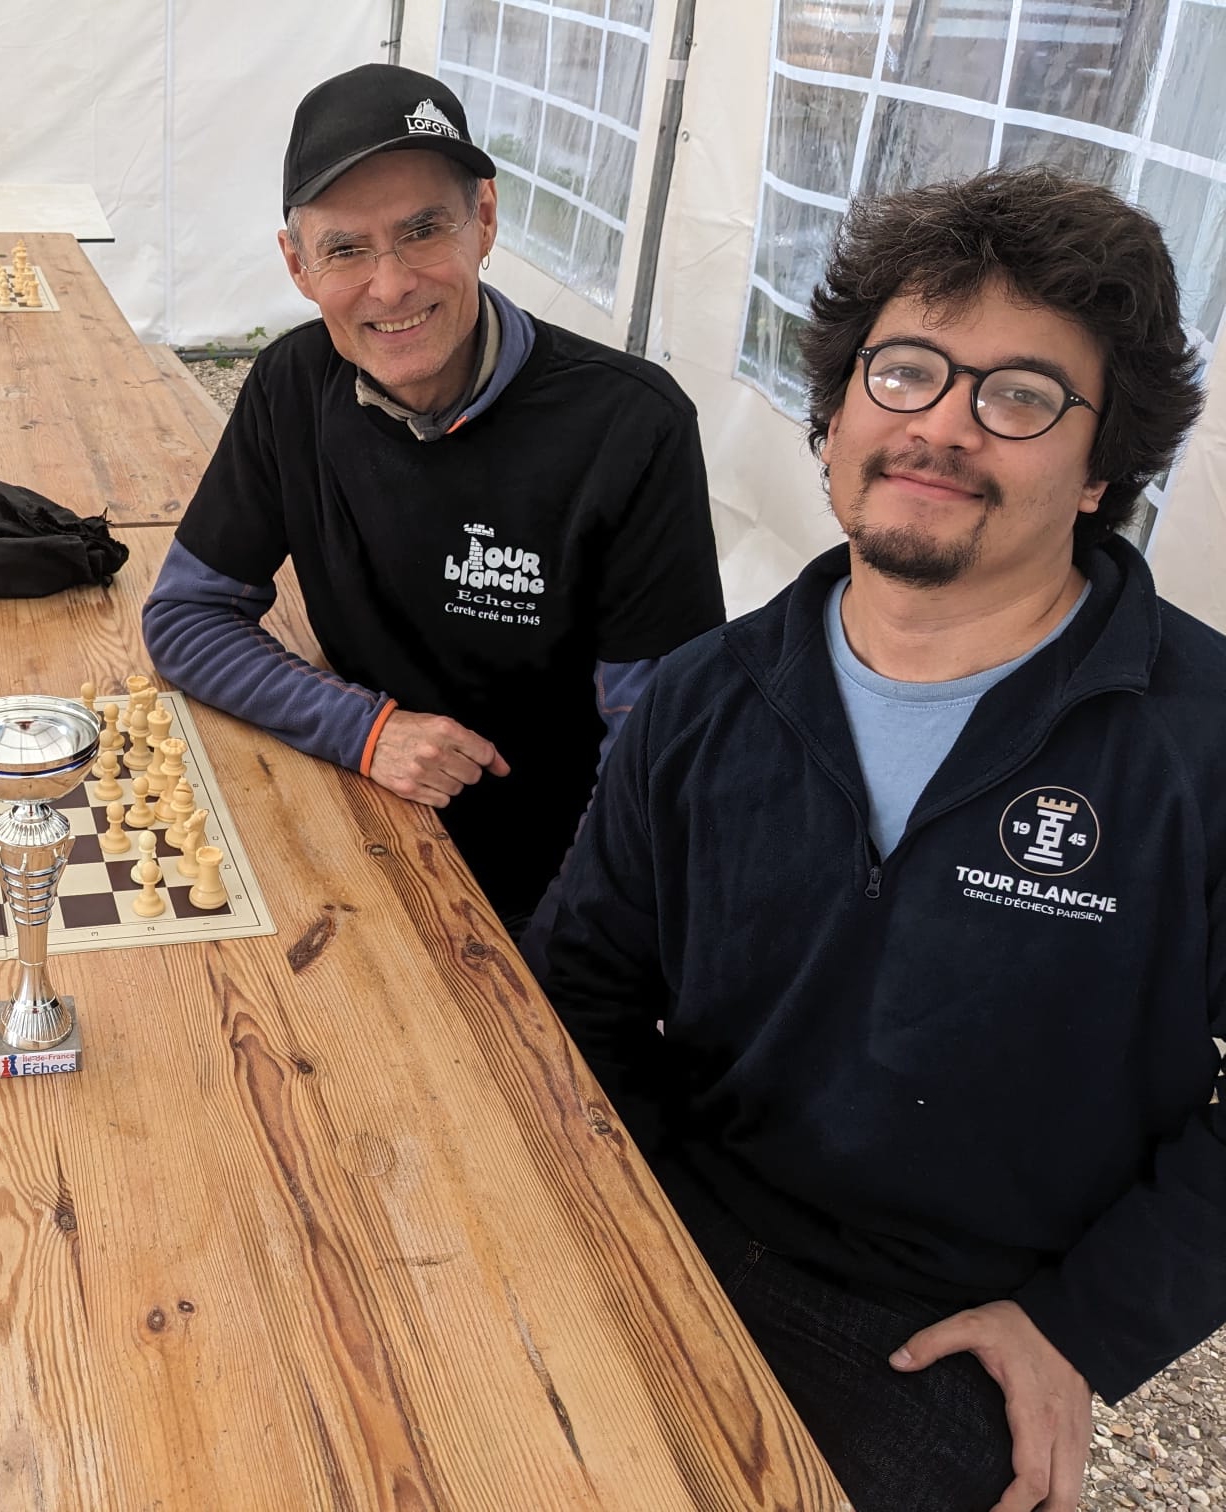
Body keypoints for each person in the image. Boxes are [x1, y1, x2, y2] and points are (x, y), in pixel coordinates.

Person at [532, 167, 1223, 1512]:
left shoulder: (1196, 746)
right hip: (682, 1218)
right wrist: (608, 1204)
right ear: (835, 414)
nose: (942, 427)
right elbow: (583, 987)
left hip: (958, 1324)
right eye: (904, 372)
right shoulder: (708, 696)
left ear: (1103, 468)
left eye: (1021, 396)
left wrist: (1085, 1326)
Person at [142, 64, 724, 932]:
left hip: (560, 884)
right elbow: (186, 618)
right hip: (364, 834)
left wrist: (558, 954)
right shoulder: (292, 385)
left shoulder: (631, 427)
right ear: (298, 266)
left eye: (423, 231)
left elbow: (659, 749)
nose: (390, 286)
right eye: (345, 249)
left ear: (484, 220)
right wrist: (366, 731)